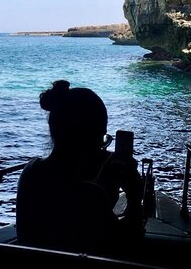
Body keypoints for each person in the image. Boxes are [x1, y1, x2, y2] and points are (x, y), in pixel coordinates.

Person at [15, 80, 144, 256]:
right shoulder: (92, 196)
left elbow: (66, 201)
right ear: (91, 139)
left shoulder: (30, 172)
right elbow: (127, 246)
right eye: (102, 139)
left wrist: (101, 185)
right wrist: (135, 197)